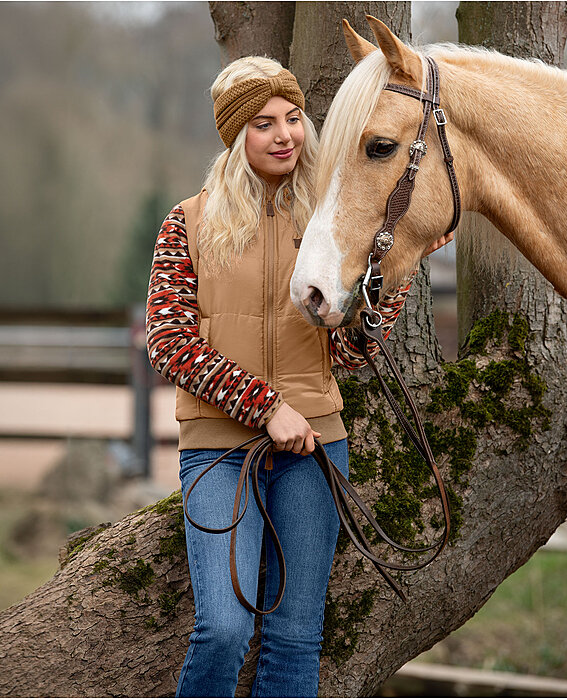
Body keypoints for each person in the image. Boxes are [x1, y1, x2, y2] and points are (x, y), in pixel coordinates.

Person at [146, 56, 452, 699]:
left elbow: (352, 352)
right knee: (223, 630)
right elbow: (169, 342)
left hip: (317, 448)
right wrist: (266, 408)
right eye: (264, 123)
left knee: (294, 637)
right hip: (217, 452)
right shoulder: (189, 222)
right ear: (236, 137)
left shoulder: (331, 220)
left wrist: (400, 264)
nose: (286, 133)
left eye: (293, 118)